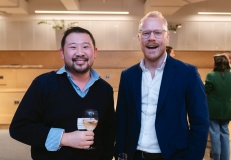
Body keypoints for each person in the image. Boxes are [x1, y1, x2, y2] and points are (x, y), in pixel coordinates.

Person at [9, 27, 116, 160]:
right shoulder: (43, 84)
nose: (80, 52)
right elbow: (19, 128)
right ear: (62, 53)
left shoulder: (105, 90)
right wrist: (64, 138)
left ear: (95, 52)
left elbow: (109, 134)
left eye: (85, 47)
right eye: (73, 47)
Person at [115, 11, 209, 160]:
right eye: (146, 33)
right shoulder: (128, 76)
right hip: (135, 156)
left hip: (174, 156)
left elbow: (200, 122)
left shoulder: (187, 73)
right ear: (139, 37)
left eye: (157, 33)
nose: (151, 38)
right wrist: (120, 154)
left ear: (167, 37)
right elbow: (121, 120)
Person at [205, 54, 231, 160]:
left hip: (213, 109)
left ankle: (216, 156)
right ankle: (225, 158)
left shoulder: (211, 75)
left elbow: (206, 90)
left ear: (217, 63)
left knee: (214, 133)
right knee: (225, 132)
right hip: (226, 109)